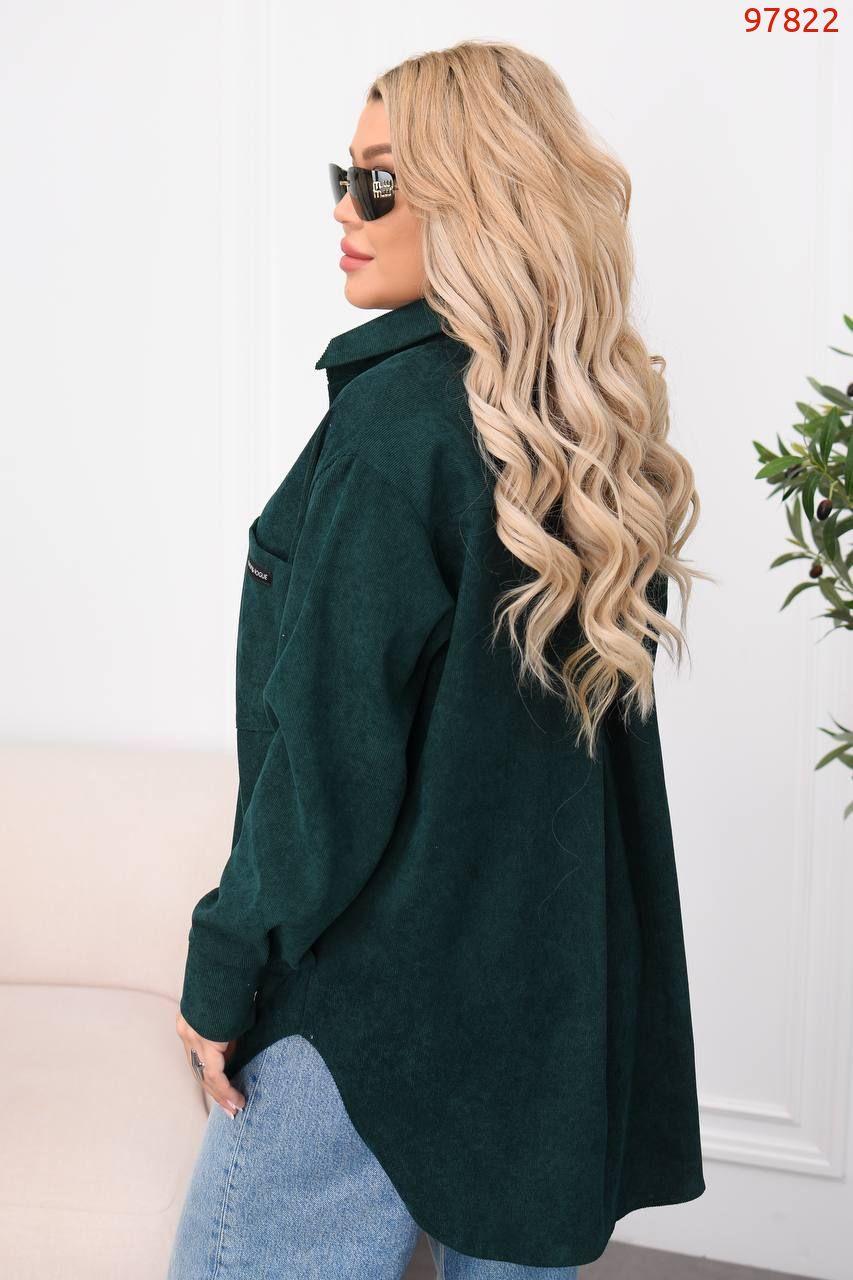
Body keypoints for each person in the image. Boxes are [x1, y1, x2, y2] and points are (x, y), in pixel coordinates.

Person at [167, 39, 708, 1280]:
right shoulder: (586, 435)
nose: (344, 213)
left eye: (378, 182)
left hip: (369, 1017)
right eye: (343, 178)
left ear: (474, 200)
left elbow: (325, 768)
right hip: (547, 1016)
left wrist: (220, 972)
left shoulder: (394, 428)